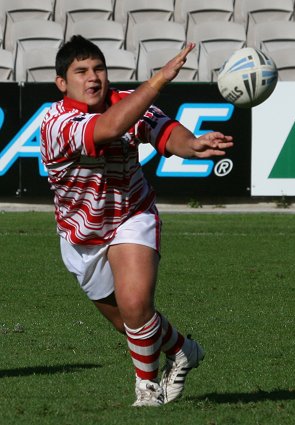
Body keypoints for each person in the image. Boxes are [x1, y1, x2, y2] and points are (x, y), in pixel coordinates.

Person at [40, 35, 233, 407]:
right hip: (80, 235)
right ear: (62, 83)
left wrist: (191, 145)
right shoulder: (55, 121)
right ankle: (183, 350)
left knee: (135, 304)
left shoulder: (127, 102)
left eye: (99, 68)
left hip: (132, 214)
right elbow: (109, 128)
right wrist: (159, 79)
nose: (93, 77)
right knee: (132, 324)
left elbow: (162, 131)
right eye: (81, 71)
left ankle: (147, 390)